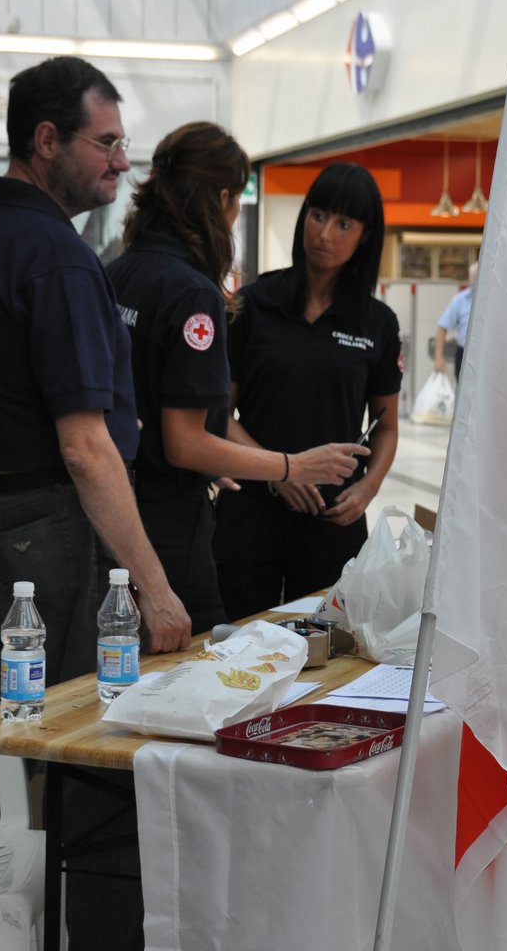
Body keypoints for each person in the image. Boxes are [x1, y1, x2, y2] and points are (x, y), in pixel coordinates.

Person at [0, 56, 191, 951]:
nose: (121, 162)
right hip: (47, 537)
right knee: (99, 764)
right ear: (48, 142)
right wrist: (154, 589)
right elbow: (85, 442)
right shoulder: (57, 257)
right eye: (105, 143)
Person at [106, 122, 368, 634]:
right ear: (224, 198)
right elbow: (186, 441)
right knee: (195, 654)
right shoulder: (191, 292)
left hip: (114, 509)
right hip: (165, 521)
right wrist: (290, 466)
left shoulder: (119, 272)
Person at [213, 163, 403, 622]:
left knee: (325, 652)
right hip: (250, 510)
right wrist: (279, 472)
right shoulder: (254, 304)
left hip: (333, 515)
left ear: (365, 235)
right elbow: (218, 412)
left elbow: (387, 427)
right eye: (318, 216)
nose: (325, 234)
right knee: (235, 647)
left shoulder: (376, 323)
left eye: (344, 224)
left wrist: (369, 487)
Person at [432, 259, 476, 379]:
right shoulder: (460, 299)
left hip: (486, 354)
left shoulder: (493, 301)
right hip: (464, 353)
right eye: (475, 278)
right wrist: (438, 357)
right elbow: (442, 326)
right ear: (471, 279)